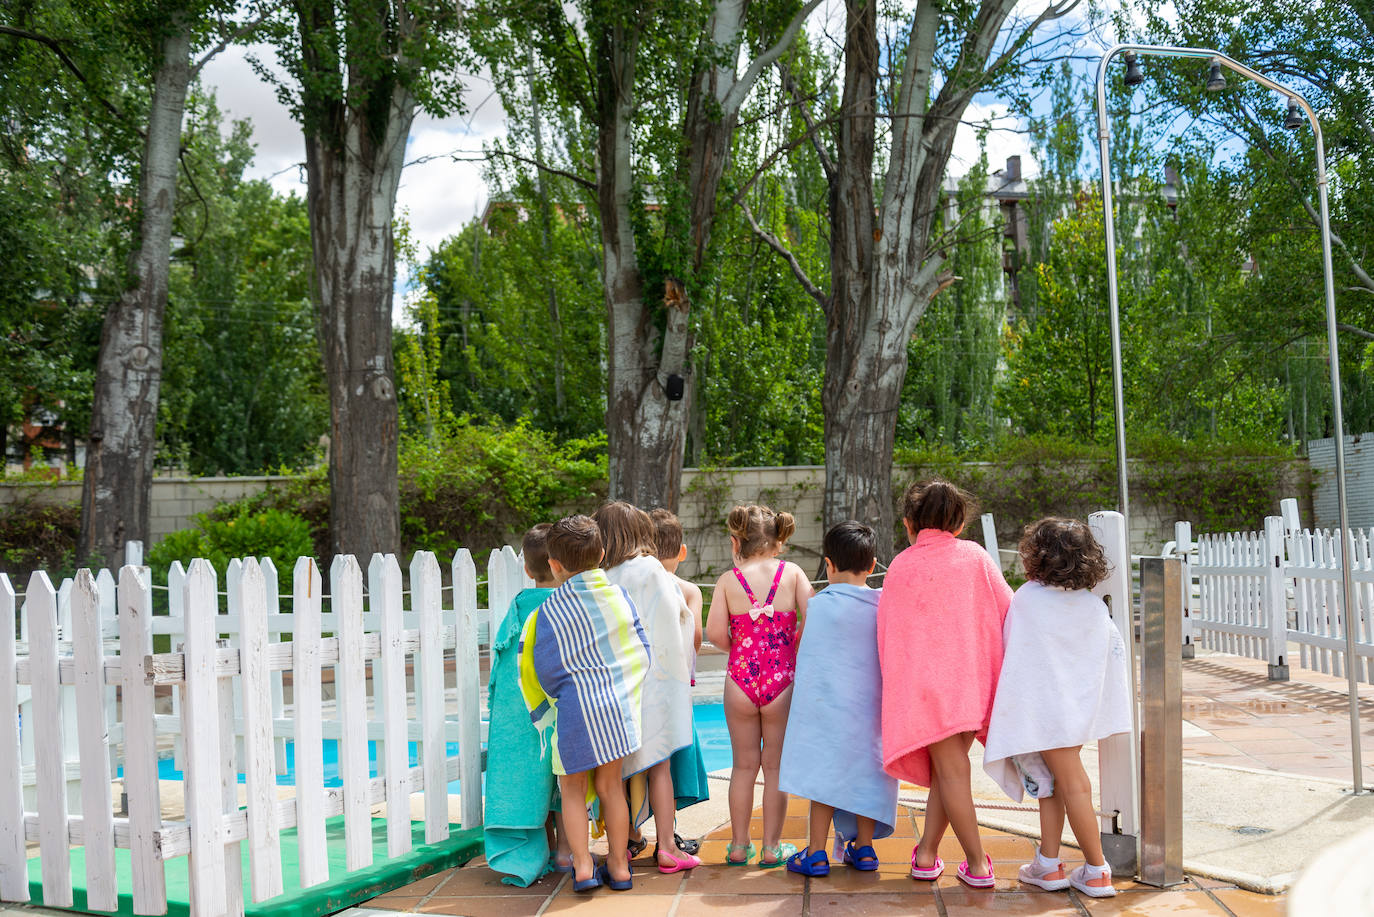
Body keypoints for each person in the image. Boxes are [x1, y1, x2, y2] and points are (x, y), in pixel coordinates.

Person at [983, 518, 1132, 899]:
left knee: (1072, 783)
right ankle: (1047, 863)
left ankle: (1097, 869)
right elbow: (1107, 654)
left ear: (1037, 556)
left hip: (1044, 708)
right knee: (1053, 785)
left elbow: (1013, 650)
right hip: (1079, 706)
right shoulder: (1090, 604)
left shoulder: (1028, 599)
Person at [877, 480, 1012, 889]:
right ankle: (927, 854)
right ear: (959, 520)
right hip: (971, 686)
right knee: (951, 771)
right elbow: (1008, 609)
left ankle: (976, 863)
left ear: (908, 523)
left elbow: (887, 630)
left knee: (950, 773)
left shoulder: (901, 564)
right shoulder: (976, 557)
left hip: (925, 691)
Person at [518, 515, 651, 892]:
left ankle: (581, 867)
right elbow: (640, 651)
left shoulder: (548, 611)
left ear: (554, 565)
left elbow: (542, 668)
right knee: (612, 787)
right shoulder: (619, 597)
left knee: (572, 790)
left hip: (575, 713)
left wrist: (564, 697)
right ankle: (620, 866)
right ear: (603, 554)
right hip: (615, 708)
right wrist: (623, 688)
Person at [780, 521, 899, 877]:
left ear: (828, 565)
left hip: (828, 716)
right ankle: (864, 850)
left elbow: (812, 667)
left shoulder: (820, 607)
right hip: (870, 717)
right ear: (874, 563)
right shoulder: (882, 606)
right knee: (868, 776)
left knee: (824, 779)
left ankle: (816, 853)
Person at [594, 502, 701, 874]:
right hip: (655, 685)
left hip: (613, 688)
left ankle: (621, 847)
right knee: (659, 769)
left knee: (615, 775)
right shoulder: (652, 569)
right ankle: (668, 846)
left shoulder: (599, 575)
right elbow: (679, 621)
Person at [705, 504, 812, 867]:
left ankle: (738, 846)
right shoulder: (793, 573)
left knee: (743, 767)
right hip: (782, 678)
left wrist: (740, 646)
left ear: (737, 542)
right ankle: (771, 847)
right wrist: (792, 640)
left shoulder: (727, 581)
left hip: (740, 679)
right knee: (776, 767)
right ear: (778, 542)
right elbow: (814, 620)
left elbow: (715, 633)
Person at [484, 524, 568, 885]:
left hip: (525, 713)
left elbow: (504, 670)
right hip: (564, 706)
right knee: (567, 779)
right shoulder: (569, 605)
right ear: (564, 563)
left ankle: (543, 848)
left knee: (533, 777)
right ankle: (567, 851)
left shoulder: (518, 610)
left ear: (527, 569)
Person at [649, 507, 709, 857]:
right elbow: (696, 639)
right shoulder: (688, 590)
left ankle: (630, 835)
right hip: (676, 694)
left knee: (641, 769)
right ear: (681, 552)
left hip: (643, 690)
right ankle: (666, 837)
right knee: (669, 768)